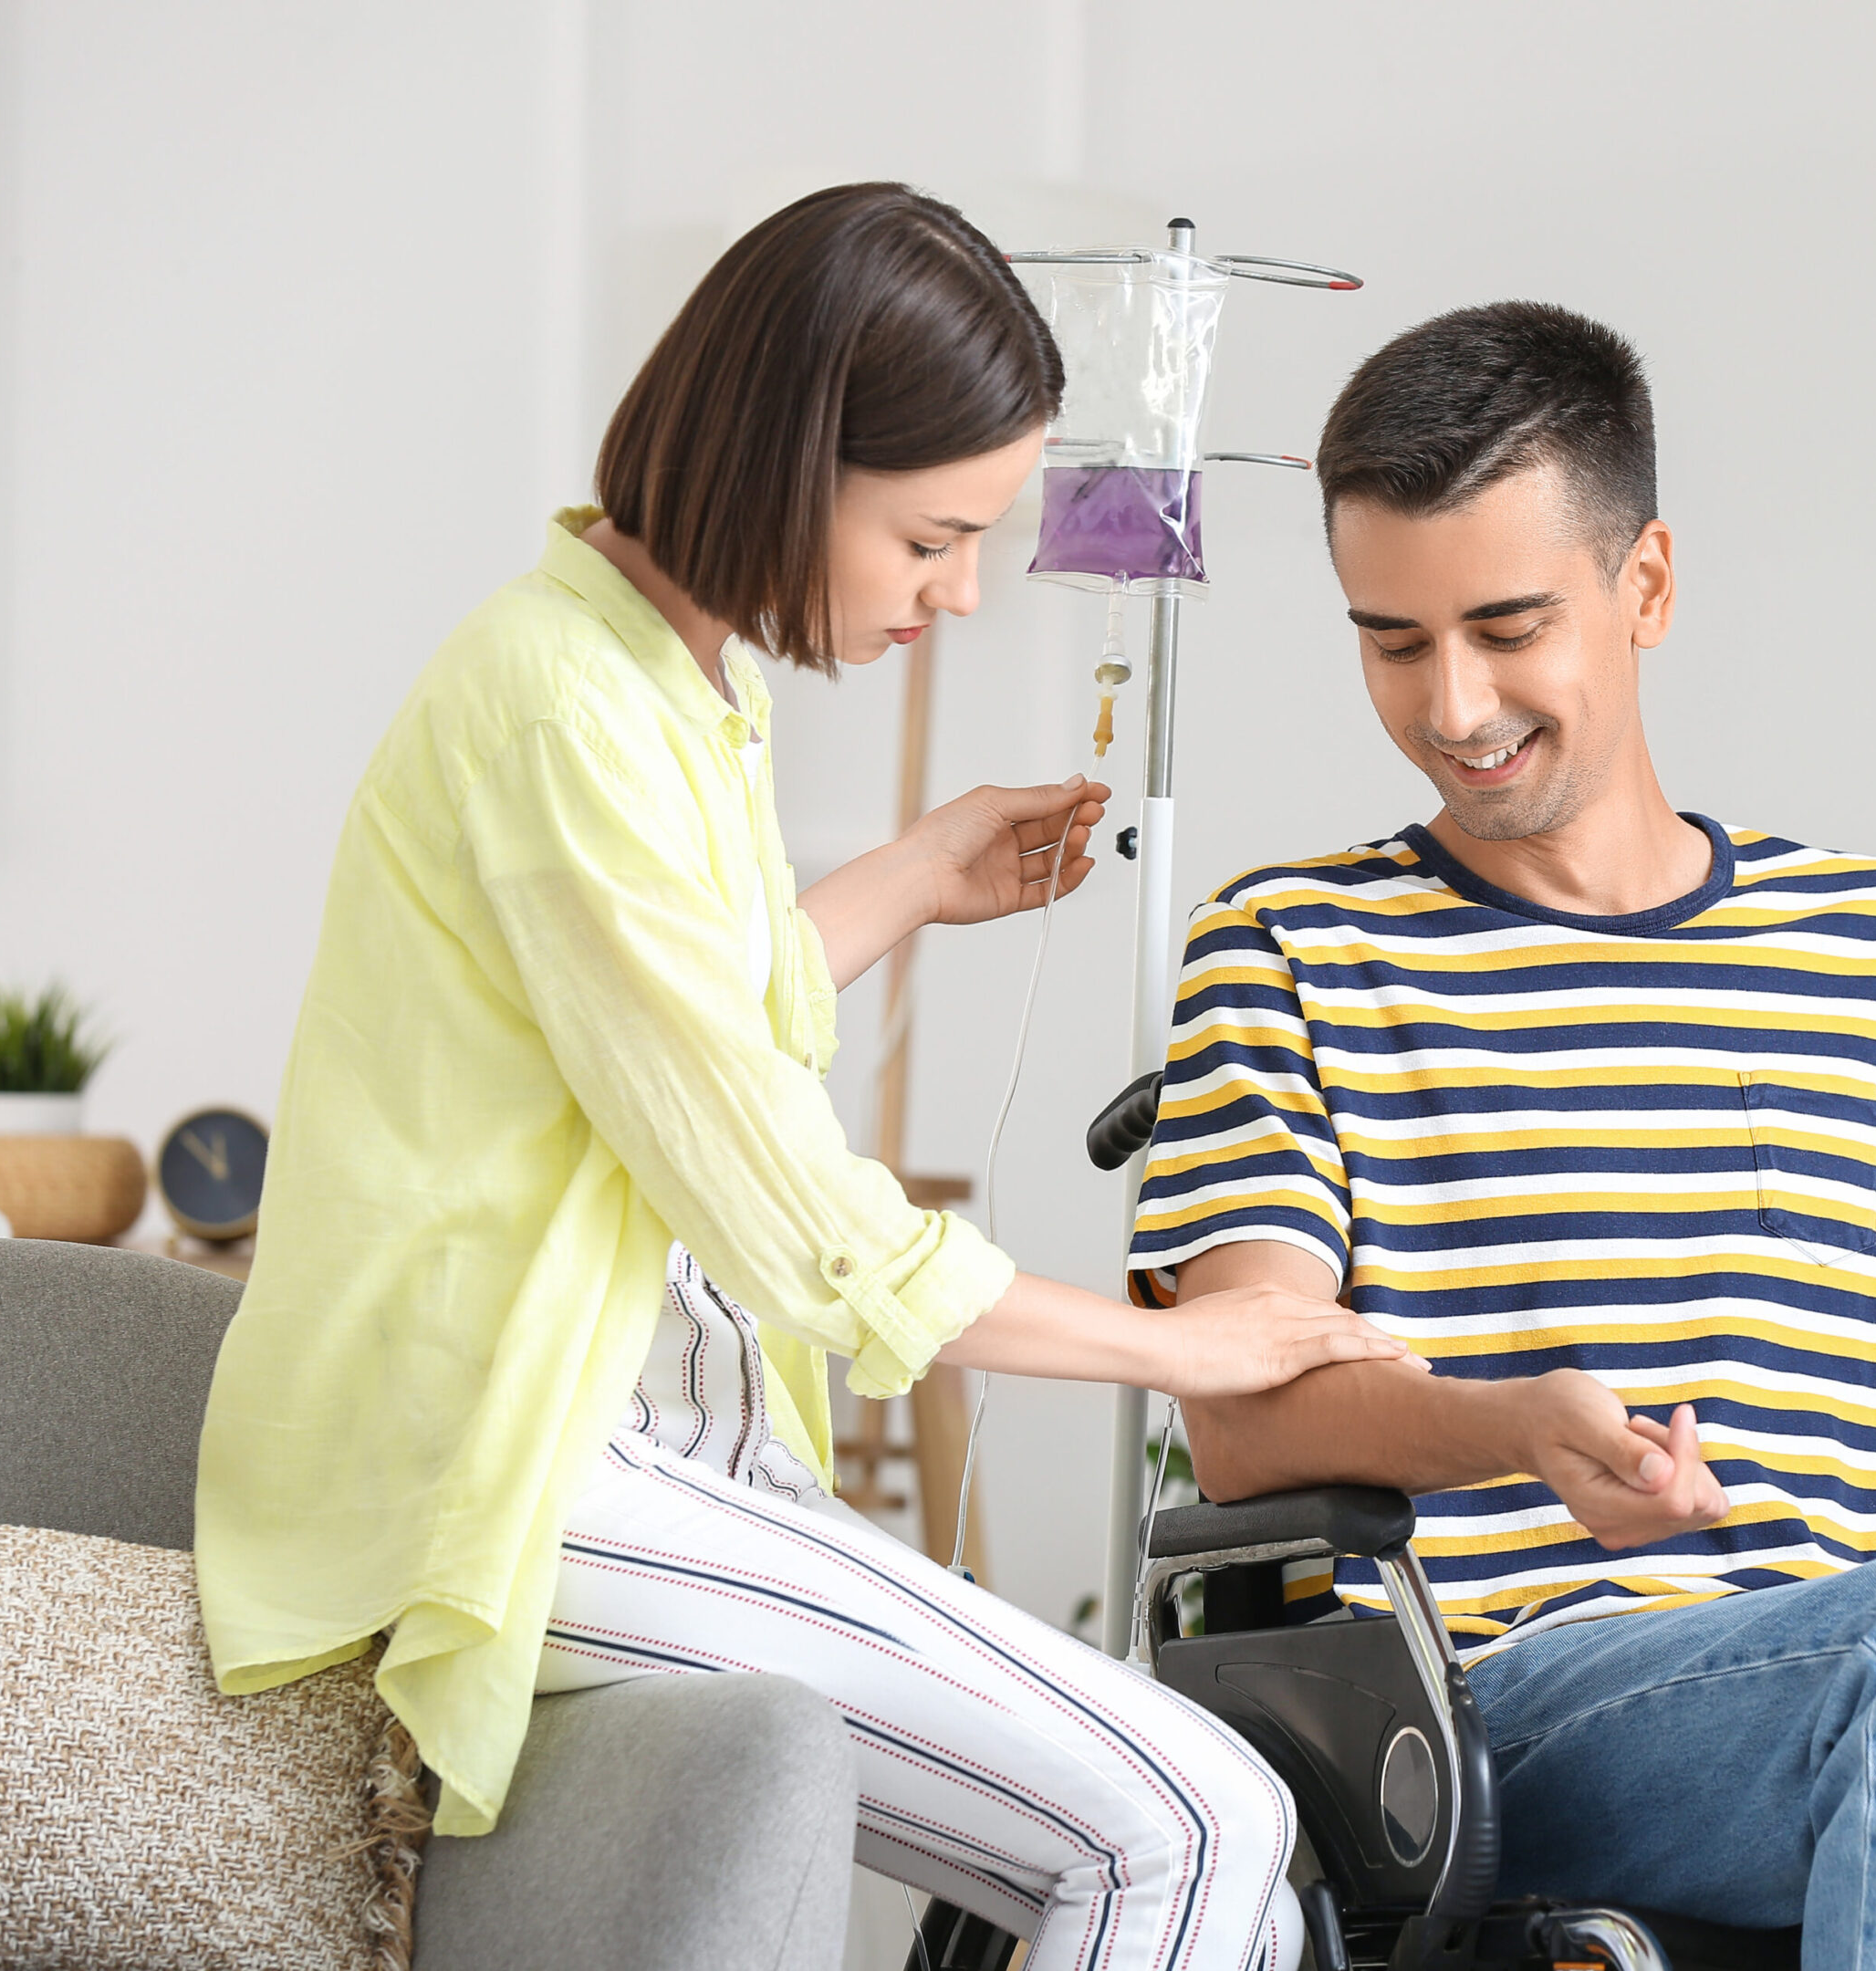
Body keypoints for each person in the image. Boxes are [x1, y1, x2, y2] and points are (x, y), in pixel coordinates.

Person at [196, 184, 1421, 1971]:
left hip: (664, 1447)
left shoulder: (674, 682)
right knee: (1197, 1817)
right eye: (932, 537)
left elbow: (670, 1019)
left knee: (1179, 1839)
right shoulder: (562, 709)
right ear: (792, 461)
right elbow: (787, 1214)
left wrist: (921, 875)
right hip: (524, 1473)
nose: (962, 591)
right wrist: (1187, 1346)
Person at [1126, 302, 1876, 1968]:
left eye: (1507, 626)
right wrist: (1517, 1422)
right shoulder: (1292, 951)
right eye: (1393, 643)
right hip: (1517, 1706)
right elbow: (1247, 1434)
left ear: (1648, 587)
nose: (1453, 705)